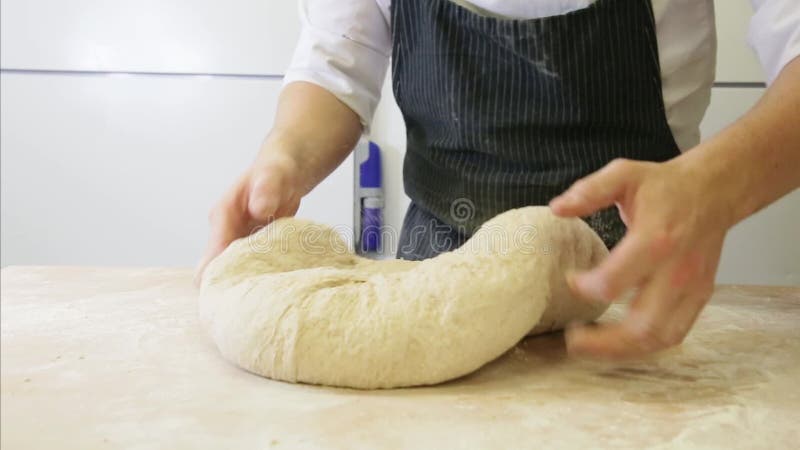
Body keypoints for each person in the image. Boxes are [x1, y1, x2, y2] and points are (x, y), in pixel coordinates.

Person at [196, 0, 800, 359]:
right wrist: (285, 158)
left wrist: (714, 186)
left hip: (634, 288)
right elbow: (338, 55)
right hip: (429, 282)